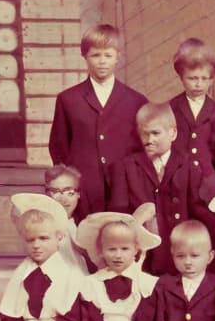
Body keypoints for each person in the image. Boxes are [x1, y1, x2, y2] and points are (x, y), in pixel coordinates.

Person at [108, 102, 215, 275]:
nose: (149, 140)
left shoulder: (188, 165)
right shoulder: (126, 167)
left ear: (173, 133)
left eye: (155, 133)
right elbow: (118, 214)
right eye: (144, 134)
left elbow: (200, 212)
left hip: (180, 256)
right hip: (143, 257)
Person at [48, 23, 147, 215]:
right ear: (85, 56)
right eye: (95, 55)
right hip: (84, 190)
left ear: (118, 56)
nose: (102, 61)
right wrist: (70, 187)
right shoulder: (68, 99)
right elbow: (58, 146)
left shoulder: (136, 101)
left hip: (123, 191)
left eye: (108, 55)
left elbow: (142, 149)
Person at [167, 37, 215, 193]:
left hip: (210, 182)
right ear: (181, 77)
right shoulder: (170, 108)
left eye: (204, 79)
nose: (198, 84)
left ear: (211, 79)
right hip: (179, 182)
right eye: (192, 78)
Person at [43, 164, 90, 273]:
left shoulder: (84, 225)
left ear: (78, 194)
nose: (63, 199)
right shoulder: (43, 226)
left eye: (70, 192)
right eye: (55, 192)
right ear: (47, 193)